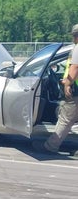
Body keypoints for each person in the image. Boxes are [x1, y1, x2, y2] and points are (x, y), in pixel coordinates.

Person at [36, 24, 78, 154]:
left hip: (75, 90)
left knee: (65, 119)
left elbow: (75, 67)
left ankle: (50, 146)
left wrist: (67, 84)